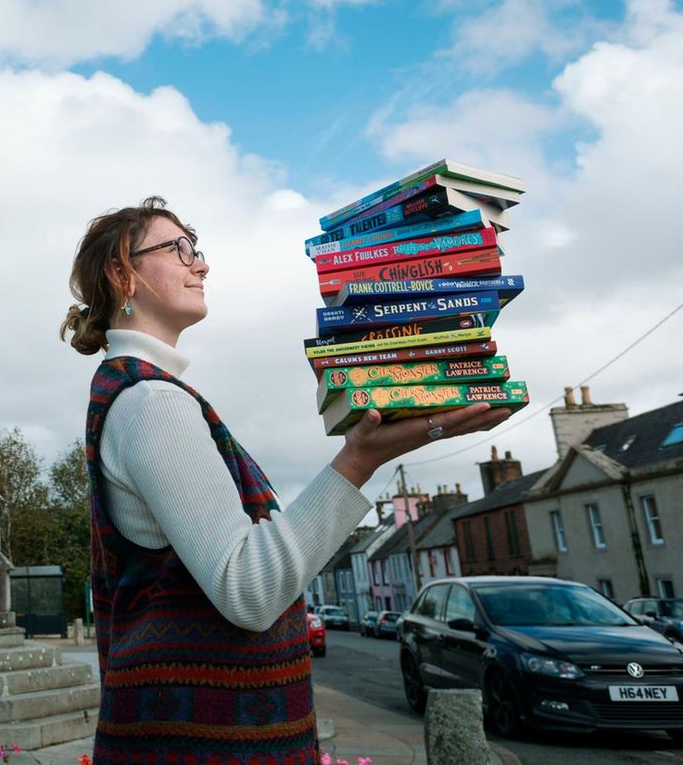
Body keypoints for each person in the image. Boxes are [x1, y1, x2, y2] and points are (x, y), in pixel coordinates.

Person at [59, 197, 508, 764]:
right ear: (123, 274)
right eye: (180, 249)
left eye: (197, 249)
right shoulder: (151, 401)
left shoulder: (139, 392)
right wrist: (359, 461)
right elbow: (248, 589)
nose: (201, 264)